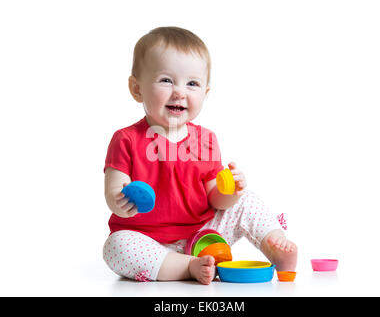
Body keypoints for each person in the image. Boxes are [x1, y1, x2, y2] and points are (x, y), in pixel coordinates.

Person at [103, 26, 297, 284]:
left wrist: (231, 192)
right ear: (136, 88)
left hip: (204, 236)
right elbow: (114, 191)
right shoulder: (125, 139)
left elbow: (215, 198)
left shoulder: (206, 140)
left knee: (246, 201)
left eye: (192, 83)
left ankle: (275, 244)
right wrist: (122, 201)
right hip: (148, 240)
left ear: (205, 93)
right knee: (116, 246)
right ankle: (187, 267)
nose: (180, 92)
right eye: (166, 80)